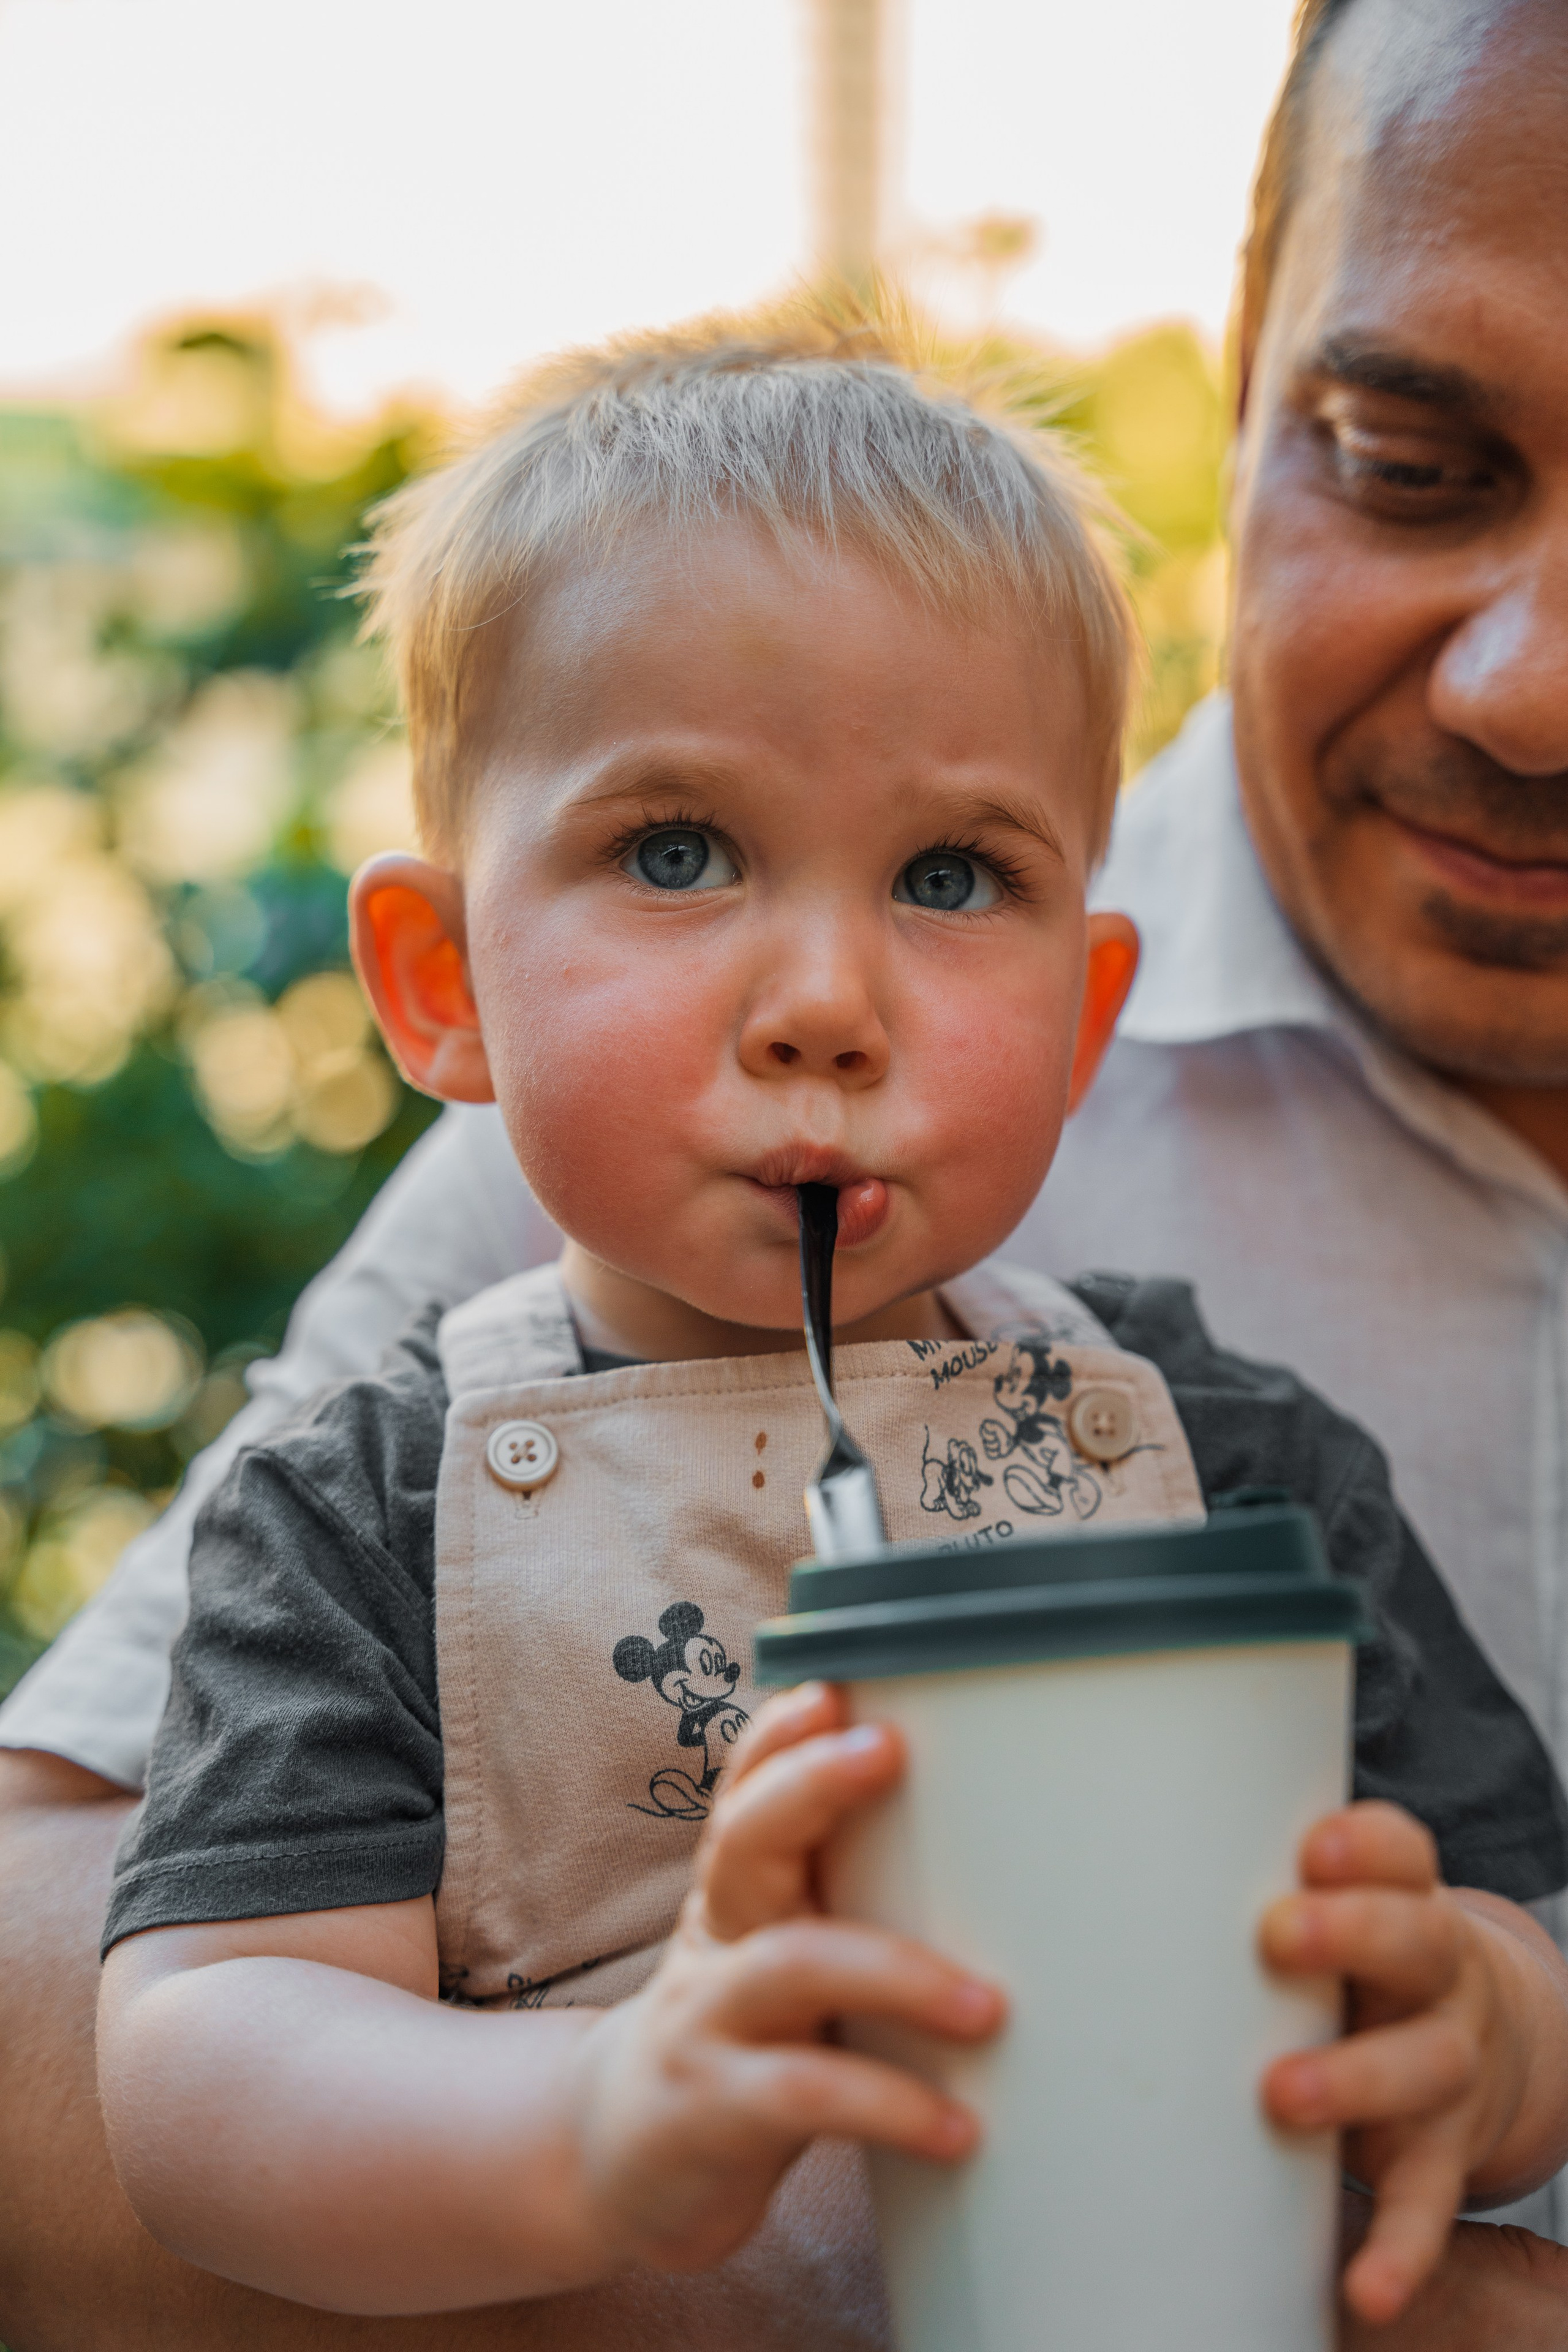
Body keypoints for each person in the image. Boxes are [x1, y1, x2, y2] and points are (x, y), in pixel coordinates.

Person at [7, 0, 1568, 2338]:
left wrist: (1484, 2026)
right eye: (676, 849)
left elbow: (1509, 1922)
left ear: (1083, 1010)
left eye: (953, 880)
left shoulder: (1221, 1453)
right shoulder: (373, 1505)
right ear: (438, 986)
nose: (824, 995)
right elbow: (203, 2059)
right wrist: (607, 2133)